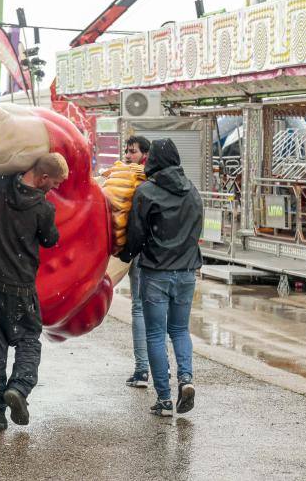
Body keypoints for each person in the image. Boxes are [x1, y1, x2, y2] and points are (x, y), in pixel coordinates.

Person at [0, 153, 68, 432]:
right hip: (20, 287)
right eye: (53, 184)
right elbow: (49, 240)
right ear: (42, 178)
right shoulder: (43, 208)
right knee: (29, 340)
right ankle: (18, 387)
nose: (52, 189)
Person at [118, 139, 203, 417]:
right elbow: (197, 230)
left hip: (156, 272)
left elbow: (136, 235)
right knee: (179, 330)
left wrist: (125, 253)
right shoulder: (192, 191)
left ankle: (165, 399)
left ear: (153, 160)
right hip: (187, 272)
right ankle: (186, 379)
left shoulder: (146, 192)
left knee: (155, 334)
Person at [121, 136, 152, 388]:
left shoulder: (140, 183)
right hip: (164, 255)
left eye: (133, 152)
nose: (128, 155)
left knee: (140, 308)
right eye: (127, 151)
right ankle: (159, 370)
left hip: (140, 252)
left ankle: (143, 370)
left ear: (146, 155)